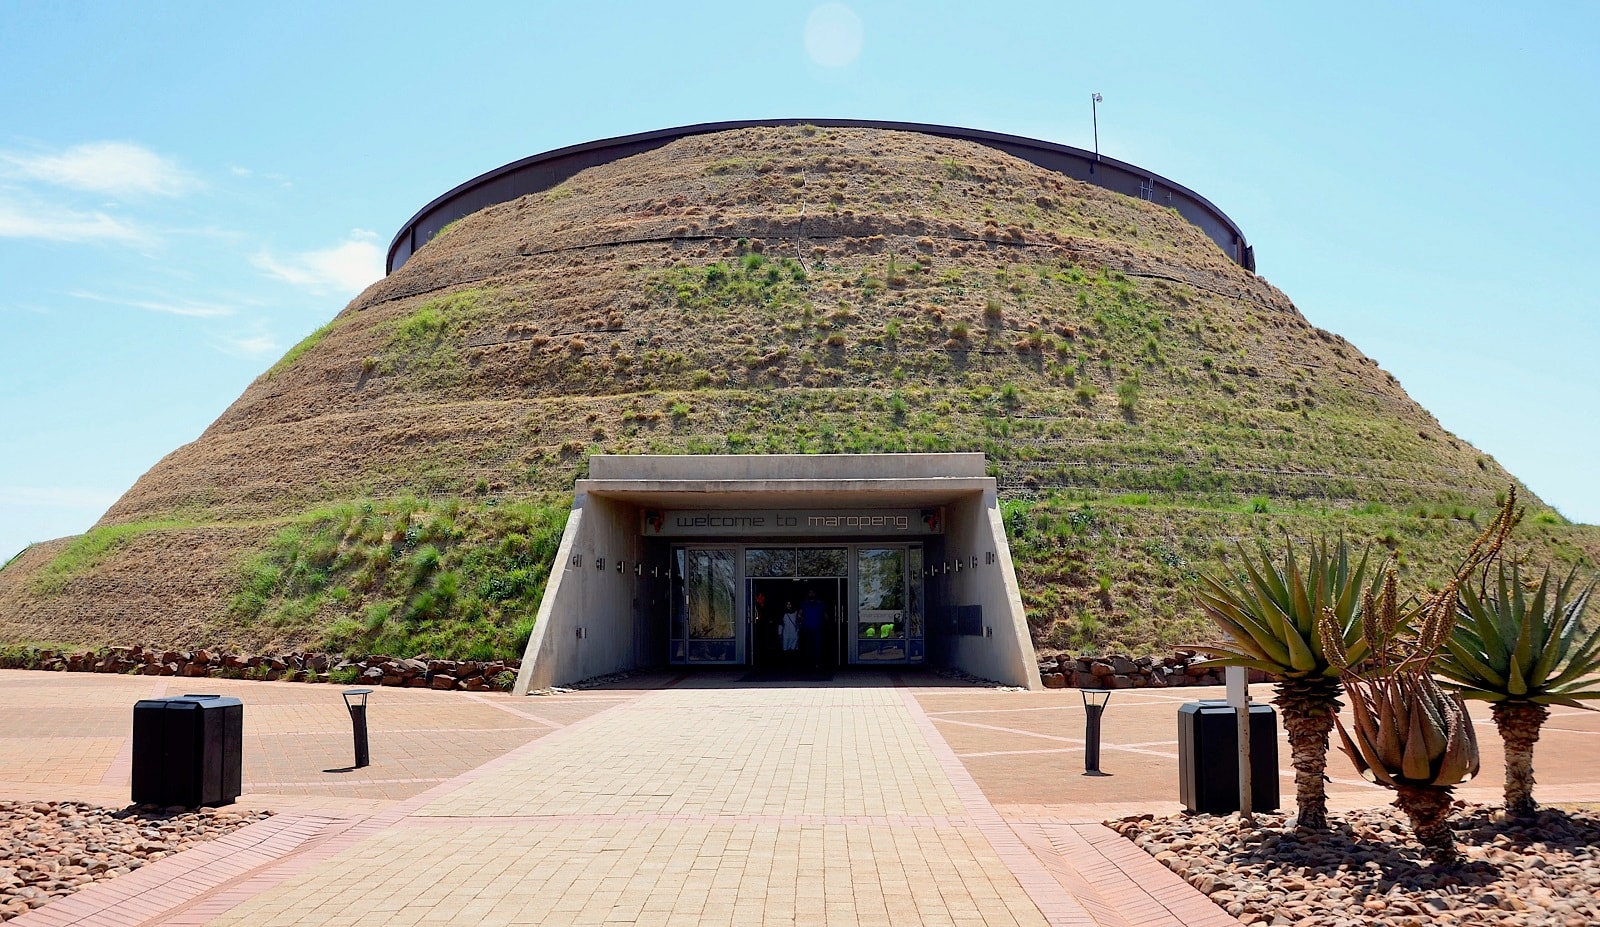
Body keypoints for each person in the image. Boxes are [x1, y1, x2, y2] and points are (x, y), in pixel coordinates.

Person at [800, 588, 826, 669]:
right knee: (808, 646)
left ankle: (818, 663)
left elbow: (825, 615)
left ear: (815, 594)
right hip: (807, 628)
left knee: (818, 646)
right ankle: (809, 663)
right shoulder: (804, 604)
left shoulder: (820, 604)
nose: (811, 594)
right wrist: (801, 621)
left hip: (818, 628)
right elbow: (799, 614)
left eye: (812, 593)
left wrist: (826, 625)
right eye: (810, 593)